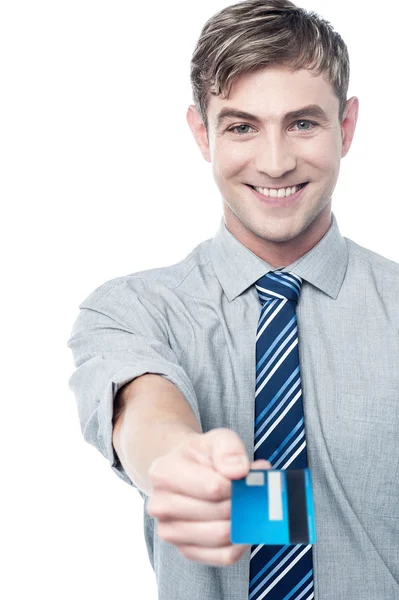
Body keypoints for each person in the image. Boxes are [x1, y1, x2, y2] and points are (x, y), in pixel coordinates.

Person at [67, 0, 399, 598]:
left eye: (303, 123)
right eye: (242, 126)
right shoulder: (134, 308)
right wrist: (179, 464)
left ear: (346, 128)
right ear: (202, 133)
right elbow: (142, 405)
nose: (274, 163)